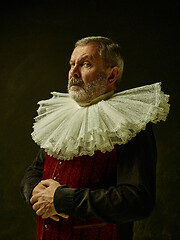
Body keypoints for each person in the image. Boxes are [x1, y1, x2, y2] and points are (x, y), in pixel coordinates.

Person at [20, 36, 170, 240]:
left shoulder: (129, 124)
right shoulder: (61, 117)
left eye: (86, 64)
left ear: (112, 75)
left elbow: (137, 200)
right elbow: (35, 170)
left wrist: (62, 199)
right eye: (72, 64)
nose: (73, 72)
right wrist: (33, 192)